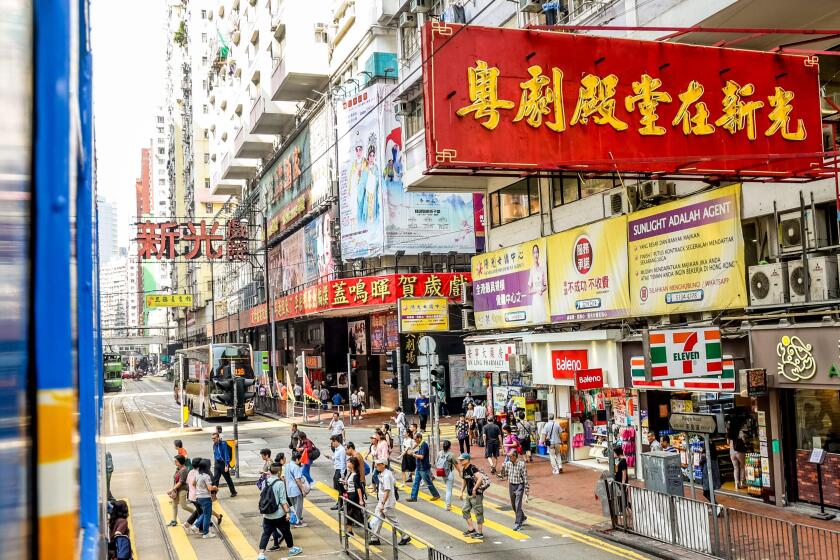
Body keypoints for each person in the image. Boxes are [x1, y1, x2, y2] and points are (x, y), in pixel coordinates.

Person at [257, 464, 302, 559]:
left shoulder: (265, 481)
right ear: (279, 472)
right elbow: (283, 500)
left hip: (267, 514)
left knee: (266, 534)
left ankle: (261, 554)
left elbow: (262, 495)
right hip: (279, 514)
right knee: (286, 532)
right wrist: (288, 513)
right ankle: (291, 549)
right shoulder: (280, 483)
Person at [369, 459, 411, 546]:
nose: (376, 466)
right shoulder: (385, 473)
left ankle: (405, 536)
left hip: (386, 503)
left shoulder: (387, 475)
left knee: (393, 521)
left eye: (378, 464)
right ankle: (374, 538)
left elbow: (387, 490)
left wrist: (383, 504)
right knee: (378, 519)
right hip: (383, 501)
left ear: (383, 465)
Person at [183, 456, 221, 531]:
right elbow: (208, 486)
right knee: (204, 512)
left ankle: (187, 524)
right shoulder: (200, 474)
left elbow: (189, 483)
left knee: (199, 511)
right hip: (199, 496)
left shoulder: (190, 472)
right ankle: (199, 528)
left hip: (191, 496)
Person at [458, 453, 486, 539]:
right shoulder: (464, 469)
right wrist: (461, 492)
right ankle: (471, 529)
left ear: (467, 460)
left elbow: (480, 478)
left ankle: (480, 533)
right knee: (465, 510)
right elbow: (464, 481)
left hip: (476, 495)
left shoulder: (473, 468)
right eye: (460, 460)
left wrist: (474, 488)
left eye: (462, 460)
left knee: (478, 513)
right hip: (469, 494)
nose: (460, 461)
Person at [500, 449, 529, 531]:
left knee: (517, 505)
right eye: (508, 456)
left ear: (515, 456)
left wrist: (527, 488)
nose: (509, 457)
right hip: (511, 485)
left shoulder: (521, 464)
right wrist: (502, 468)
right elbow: (504, 475)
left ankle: (518, 523)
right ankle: (522, 517)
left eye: (510, 456)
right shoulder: (508, 464)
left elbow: (525, 477)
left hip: (520, 485)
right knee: (513, 505)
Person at [408, 432, 441, 502]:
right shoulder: (420, 443)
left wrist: (413, 454)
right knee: (415, 483)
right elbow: (416, 444)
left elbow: (422, 456)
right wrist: (411, 448)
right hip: (419, 467)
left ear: (419, 438)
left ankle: (436, 495)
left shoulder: (424, 445)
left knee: (428, 483)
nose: (414, 440)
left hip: (423, 467)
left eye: (415, 439)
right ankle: (413, 497)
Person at [194, 459, 218, 538]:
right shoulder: (206, 476)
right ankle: (206, 533)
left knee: (205, 513)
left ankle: (196, 525)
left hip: (198, 497)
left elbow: (193, 484)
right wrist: (214, 487)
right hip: (205, 498)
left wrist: (200, 489)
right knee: (207, 515)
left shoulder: (197, 475)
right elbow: (210, 488)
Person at [167, 455, 193, 526]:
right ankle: (174, 520)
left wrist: (172, 489)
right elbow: (175, 480)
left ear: (180, 462)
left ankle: (196, 514)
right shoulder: (178, 469)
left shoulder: (184, 470)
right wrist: (173, 489)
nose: (175, 462)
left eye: (176, 461)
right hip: (177, 489)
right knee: (174, 505)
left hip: (182, 490)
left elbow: (181, 482)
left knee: (184, 506)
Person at [343, 456, 366, 536]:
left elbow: (358, 488)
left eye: (349, 462)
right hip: (350, 494)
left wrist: (361, 499)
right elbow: (351, 484)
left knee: (356, 514)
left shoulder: (355, 475)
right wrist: (345, 482)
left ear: (352, 464)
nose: (347, 463)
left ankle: (369, 526)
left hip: (354, 496)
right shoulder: (351, 473)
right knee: (349, 513)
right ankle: (349, 531)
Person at [211, 432, 237, 497]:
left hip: (223, 464)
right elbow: (215, 454)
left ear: (218, 438)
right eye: (212, 438)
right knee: (215, 479)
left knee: (228, 479)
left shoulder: (223, 444)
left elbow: (226, 455)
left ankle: (233, 492)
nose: (213, 440)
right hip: (217, 464)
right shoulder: (214, 445)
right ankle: (213, 494)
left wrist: (226, 465)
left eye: (214, 438)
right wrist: (215, 463)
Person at [285, 452, 307, 528]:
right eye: (300, 459)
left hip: (289, 489)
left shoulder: (287, 465)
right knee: (298, 506)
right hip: (296, 490)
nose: (300, 461)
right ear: (297, 459)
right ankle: (297, 522)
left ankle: (295, 520)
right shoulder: (296, 467)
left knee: (293, 507)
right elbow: (298, 480)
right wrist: (303, 490)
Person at [527, 243, 547, 322]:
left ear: (539, 254)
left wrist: (542, 290)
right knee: (537, 323)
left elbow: (545, 285)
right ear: (533, 254)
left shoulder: (542, 268)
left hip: (541, 300)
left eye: (537, 252)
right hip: (535, 300)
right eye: (534, 252)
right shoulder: (532, 270)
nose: (536, 254)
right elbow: (529, 290)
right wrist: (536, 290)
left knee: (543, 322)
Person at [328, 435, 347, 510]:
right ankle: (342, 503)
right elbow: (336, 459)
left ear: (336, 441)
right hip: (337, 469)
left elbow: (343, 462)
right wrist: (330, 457)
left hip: (340, 470)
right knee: (338, 487)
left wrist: (342, 474)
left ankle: (341, 504)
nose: (332, 443)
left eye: (333, 441)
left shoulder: (341, 450)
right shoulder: (337, 449)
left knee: (340, 488)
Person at [726, 421, 747, 490]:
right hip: (739, 451)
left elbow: (728, 443)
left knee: (735, 468)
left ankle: (736, 483)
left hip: (732, 452)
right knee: (742, 466)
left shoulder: (729, 433)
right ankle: (742, 482)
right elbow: (744, 441)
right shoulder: (739, 432)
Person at [438, 440, 457, 511]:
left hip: (442, 473)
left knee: (447, 488)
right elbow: (456, 464)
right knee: (449, 490)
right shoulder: (451, 455)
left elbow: (436, 461)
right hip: (450, 473)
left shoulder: (439, 453)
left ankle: (448, 504)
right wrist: (460, 472)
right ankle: (447, 505)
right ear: (449, 447)